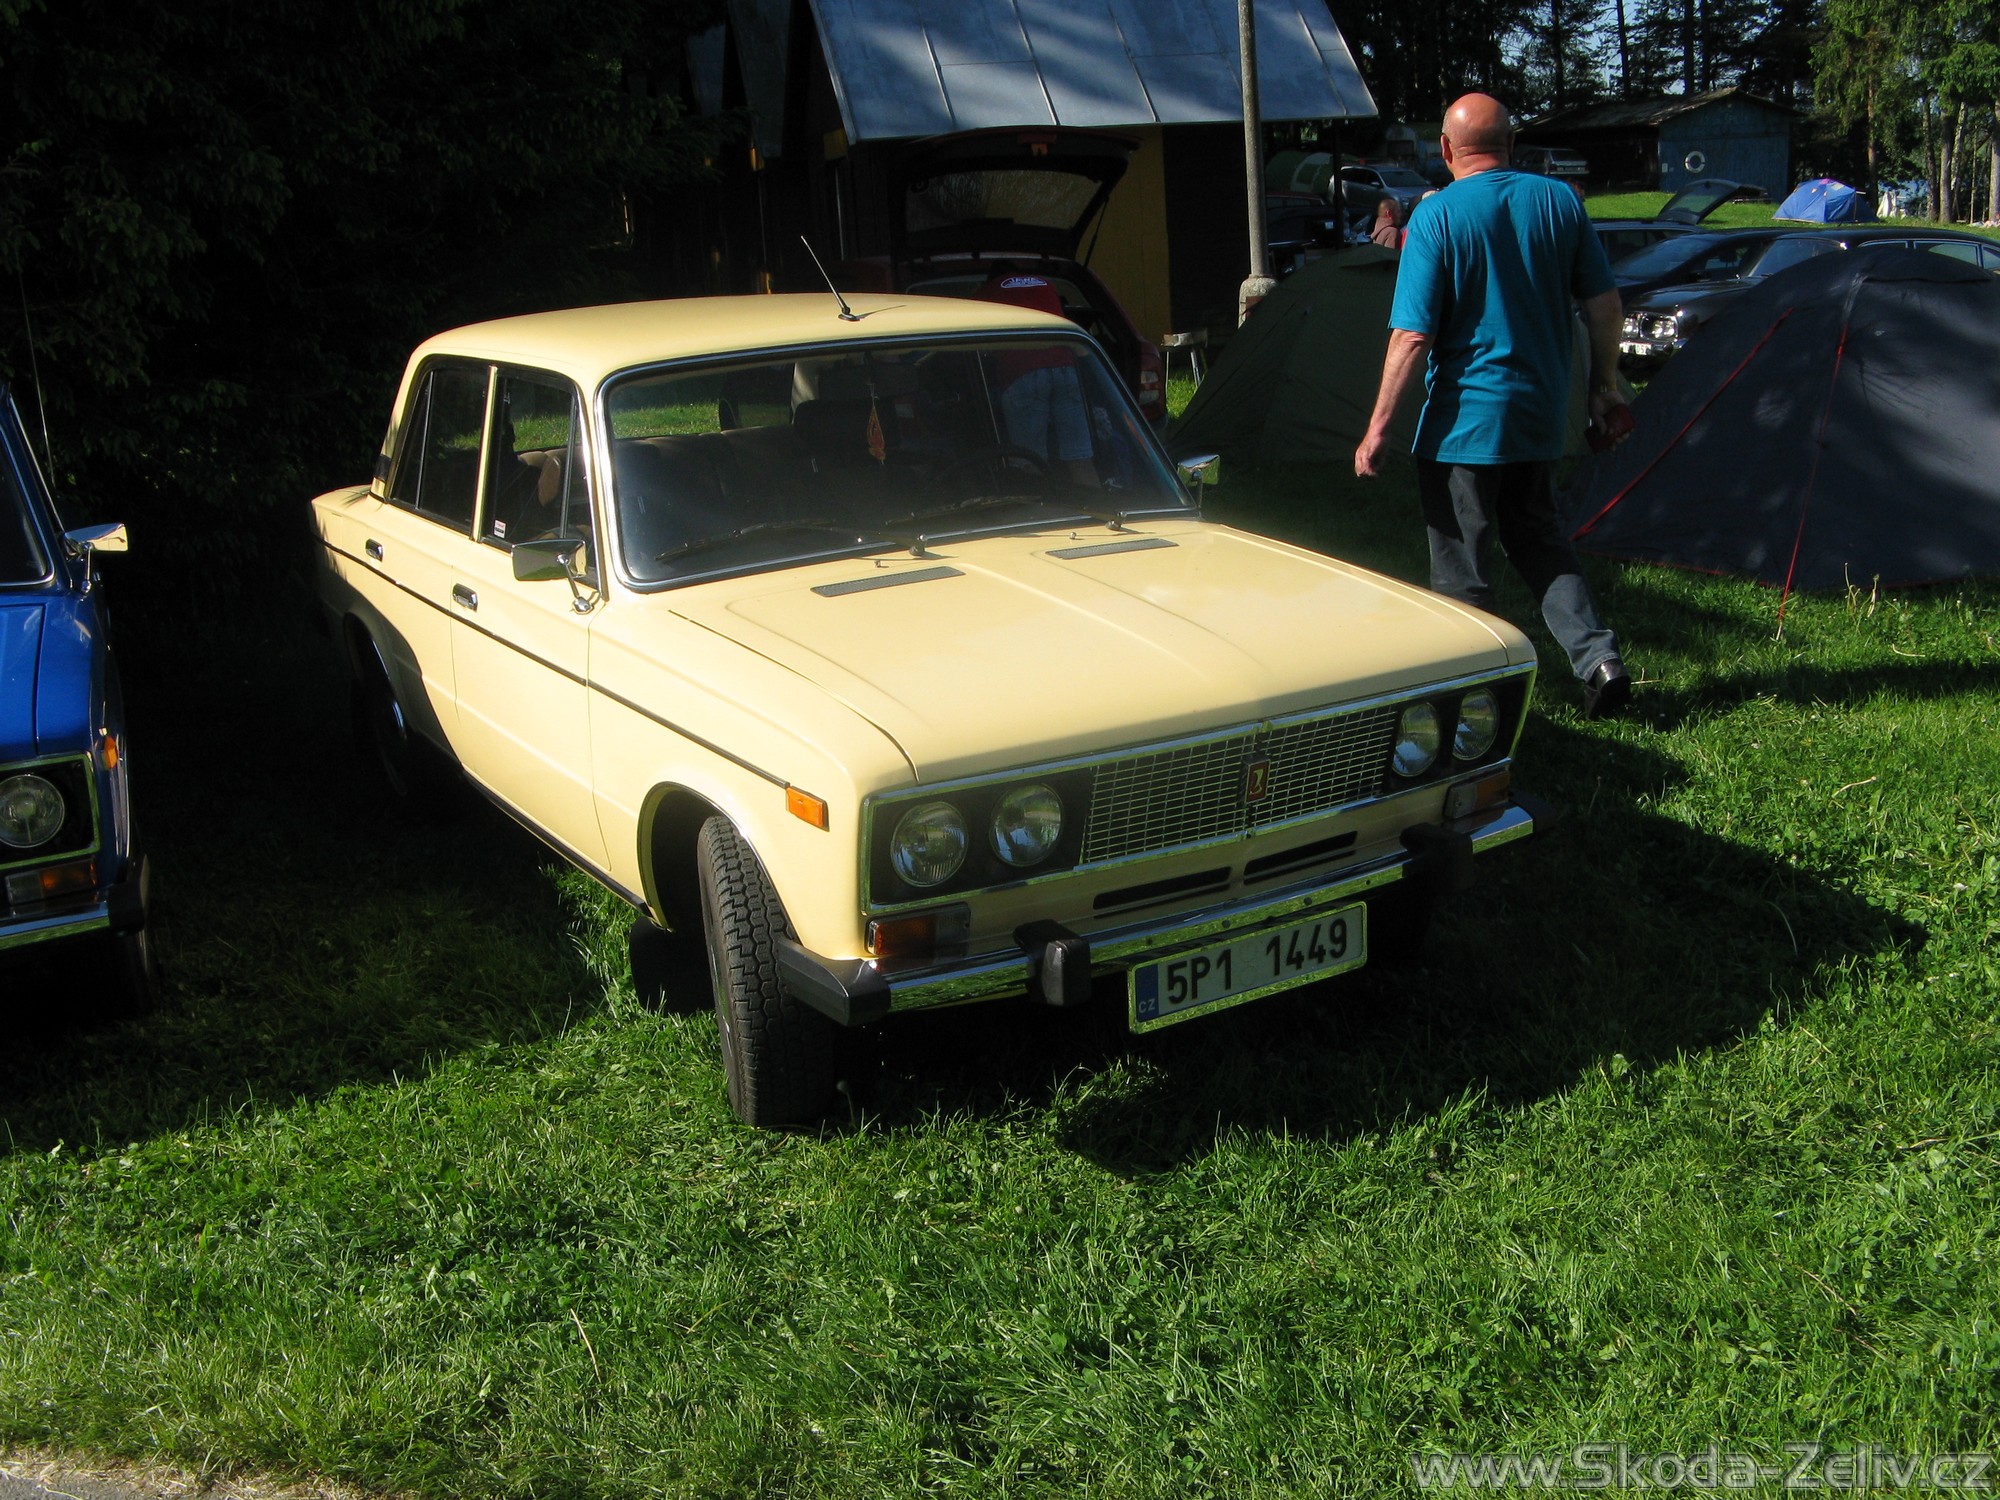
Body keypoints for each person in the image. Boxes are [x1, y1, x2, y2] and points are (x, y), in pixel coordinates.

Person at [1354, 93, 1636, 718]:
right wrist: (1603, 387)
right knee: (1539, 540)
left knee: (1463, 573)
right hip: (1539, 417)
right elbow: (1605, 305)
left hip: (1465, 426)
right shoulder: (1560, 202)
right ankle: (1599, 660)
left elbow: (1412, 335)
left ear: (1446, 150)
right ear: (1512, 144)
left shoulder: (1436, 215)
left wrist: (1377, 428)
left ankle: (1471, 703)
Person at [973, 267, 1097, 485]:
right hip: (1066, 369)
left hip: (1022, 374)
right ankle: (1097, 500)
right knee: (1080, 457)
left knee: (1031, 461)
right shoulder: (1045, 283)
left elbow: (978, 342)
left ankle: (1040, 502)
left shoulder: (987, 292)